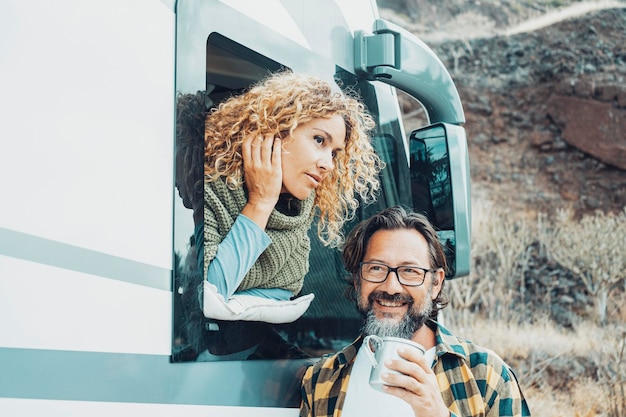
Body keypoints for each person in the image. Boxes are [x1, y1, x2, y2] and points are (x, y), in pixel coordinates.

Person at [300, 206, 531, 417]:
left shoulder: (487, 375)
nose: (391, 287)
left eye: (409, 271)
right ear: (358, 280)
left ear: (436, 283)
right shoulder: (321, 379)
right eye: (376, 268)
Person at [197, 71, 383, 322]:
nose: (328, 164)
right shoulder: (206, 191)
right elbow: (210, 294)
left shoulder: (297, 223)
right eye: (319, 140)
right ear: (274, 130)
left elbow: (283, 293)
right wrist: (260, 202)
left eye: (335, 153)